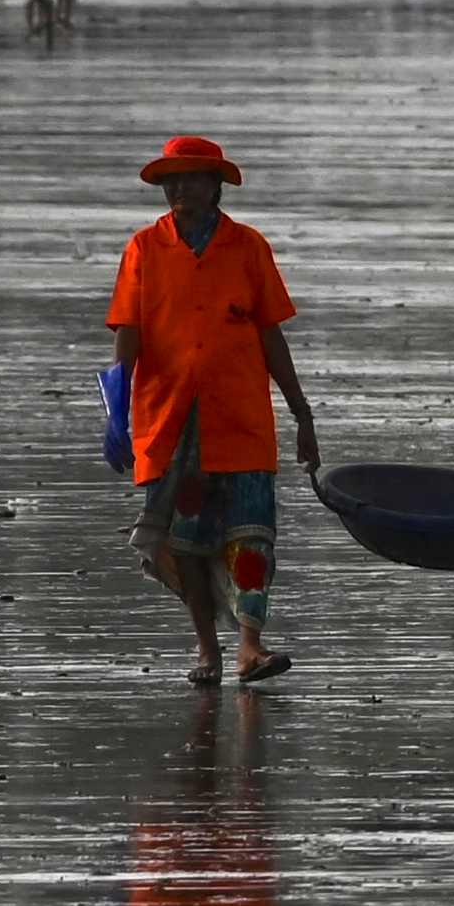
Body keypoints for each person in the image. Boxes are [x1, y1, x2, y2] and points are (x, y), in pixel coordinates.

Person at [106, 133, 325, 684]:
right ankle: (208, 649)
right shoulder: (144, 249)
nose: (180, 189)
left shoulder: (248, 247)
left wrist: (301, 411)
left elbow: (270, 335)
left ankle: (250, 646)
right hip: (171, 421)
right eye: (172, 181)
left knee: (251, 538)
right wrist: (116, 410)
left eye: (192, 179)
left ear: (216, 187)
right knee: (188, 545)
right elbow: (128, 333)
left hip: (242, 419)